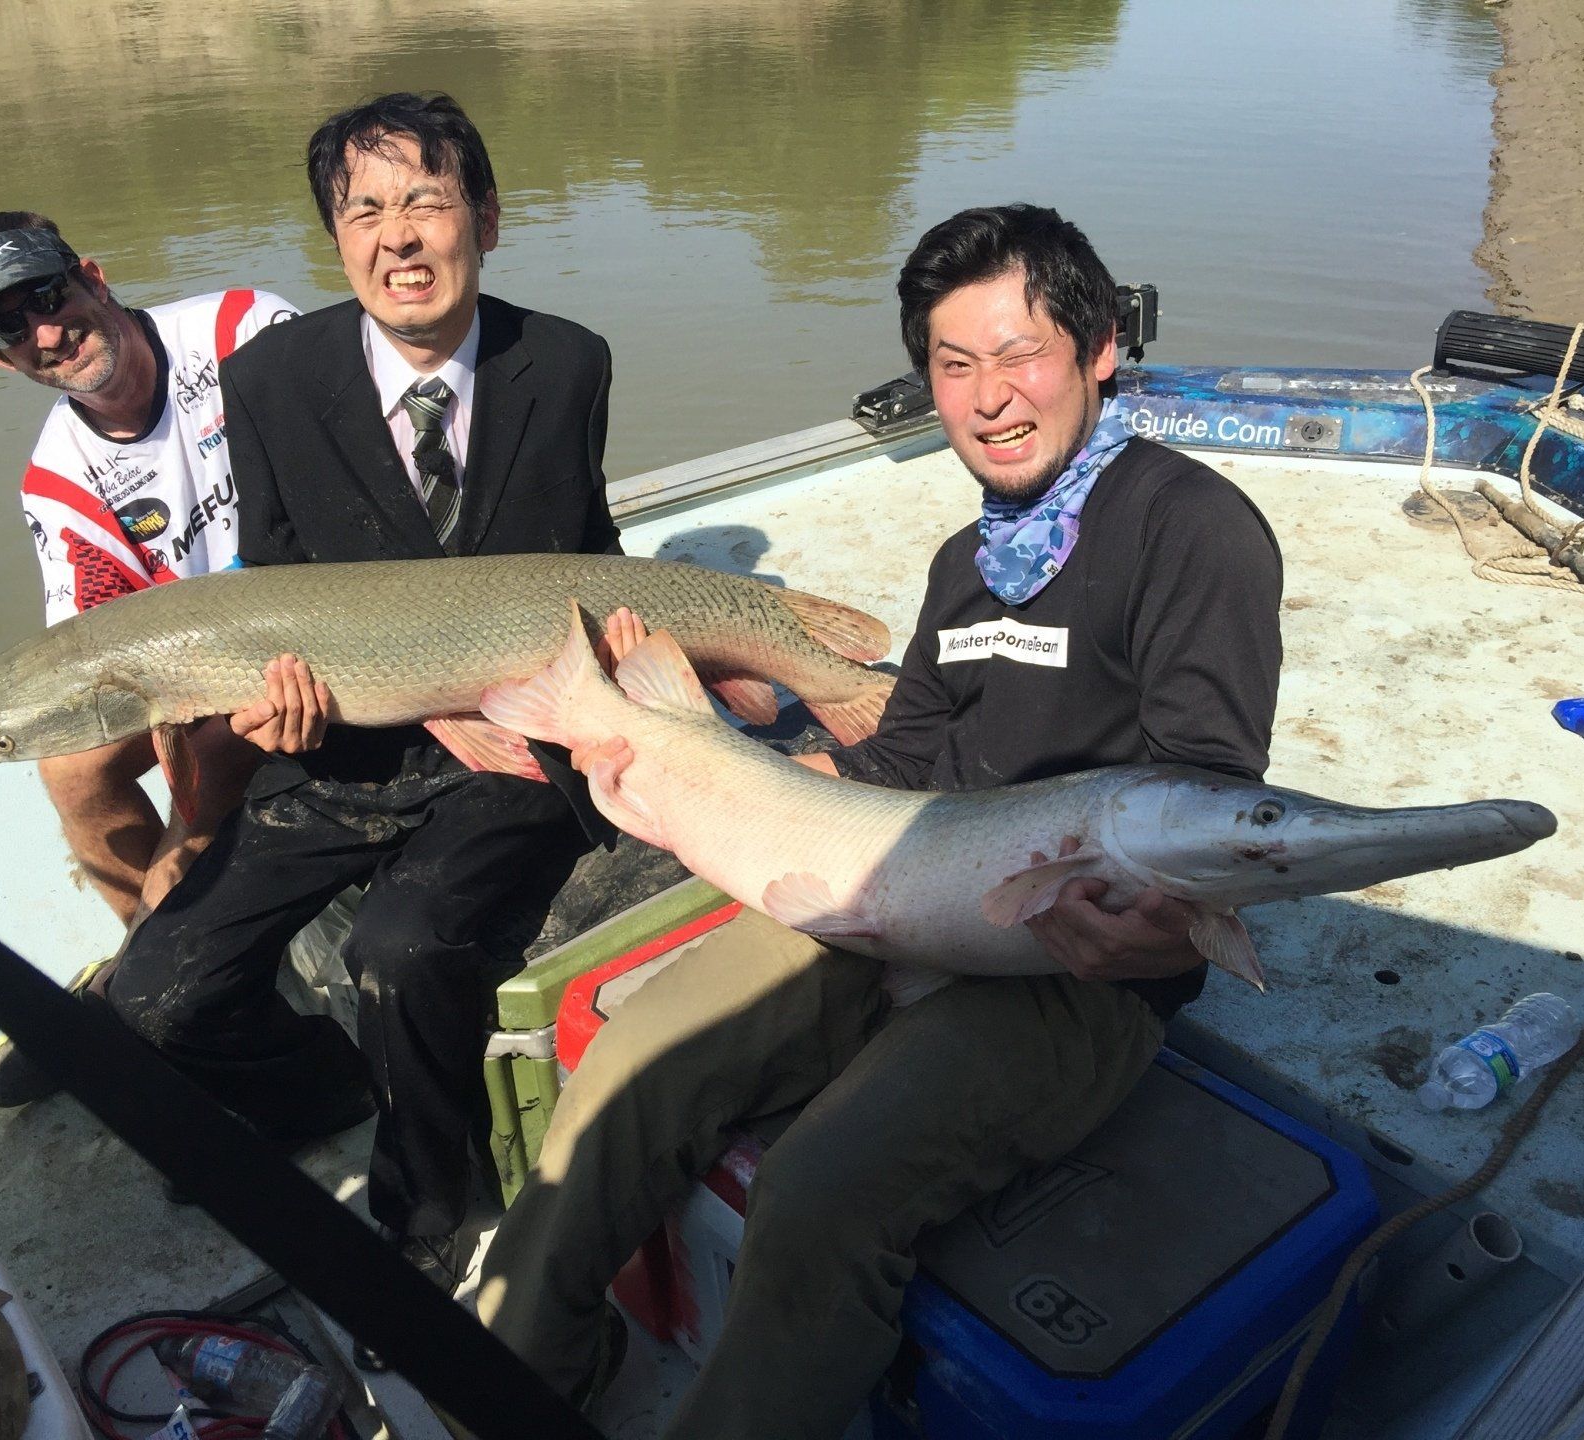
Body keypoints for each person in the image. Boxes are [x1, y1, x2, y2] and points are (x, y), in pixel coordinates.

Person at [473, 203, 1284, 1437]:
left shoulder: (1194, 531)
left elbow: (1204, 792)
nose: (989, 398)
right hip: (887, 883)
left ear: (1100, 347)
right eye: (954, 367)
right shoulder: (971, 559)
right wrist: (713, 761)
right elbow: (906, 754)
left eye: (1019, 356)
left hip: (1069, 968)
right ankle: (518, 1383)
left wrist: (1164, 936)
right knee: (627, 1069)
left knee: (821, 1187)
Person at [100, 93, 621, 1288]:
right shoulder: (272, 377)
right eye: (366, 211)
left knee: (400, 949)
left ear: (485, 217)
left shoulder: (570, 360)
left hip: (510, 741)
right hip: (339, 749)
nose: (400, 238)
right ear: (335, 239)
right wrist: (267, 712)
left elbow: (586, 550)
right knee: (153, 999)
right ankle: (328, 1085)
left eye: (427, 203)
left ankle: (432, 1207)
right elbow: (275, 575)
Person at [0, 214, 298, 933]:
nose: (46, 334)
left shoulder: (243, 328)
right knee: (69, 767)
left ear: (93, 278)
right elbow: (95, 662)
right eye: (12, 327)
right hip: (202, 684)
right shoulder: (57, 483)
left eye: (46, 296)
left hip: (318, 627)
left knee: (189, 842)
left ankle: (160, 949)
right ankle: (151, 936)